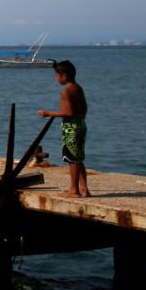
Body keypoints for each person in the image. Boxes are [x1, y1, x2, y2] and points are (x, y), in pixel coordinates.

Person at [38, 59, 90, 198]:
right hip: (80, 124)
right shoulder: (78, 88)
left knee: (72, 159)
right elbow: (84, 108)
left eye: (56, 75)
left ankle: (74, 190)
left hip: (71, 128)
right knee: (78, 157)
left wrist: (48, 113)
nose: (56, 78)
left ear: (64, 76)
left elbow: (68, 113)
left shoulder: (66, 92)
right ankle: (84, 188)